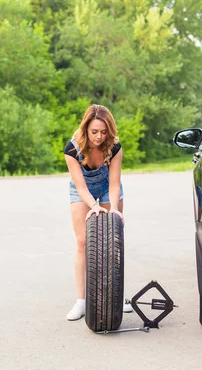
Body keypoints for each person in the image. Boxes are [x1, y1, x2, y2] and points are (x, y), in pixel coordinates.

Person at [63, 104, 131, 321]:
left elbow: (114, 183)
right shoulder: (72, 149)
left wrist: (114, 210)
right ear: (85, 129)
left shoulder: (114, 146)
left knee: (113, 241)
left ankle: (116, 297)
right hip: (82, 190)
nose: (99, 137)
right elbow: (81, 187)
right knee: (83, 242)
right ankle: (81, 301)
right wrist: (94, 206)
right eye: (94, 132)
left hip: (107, 188)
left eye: (103, 132)